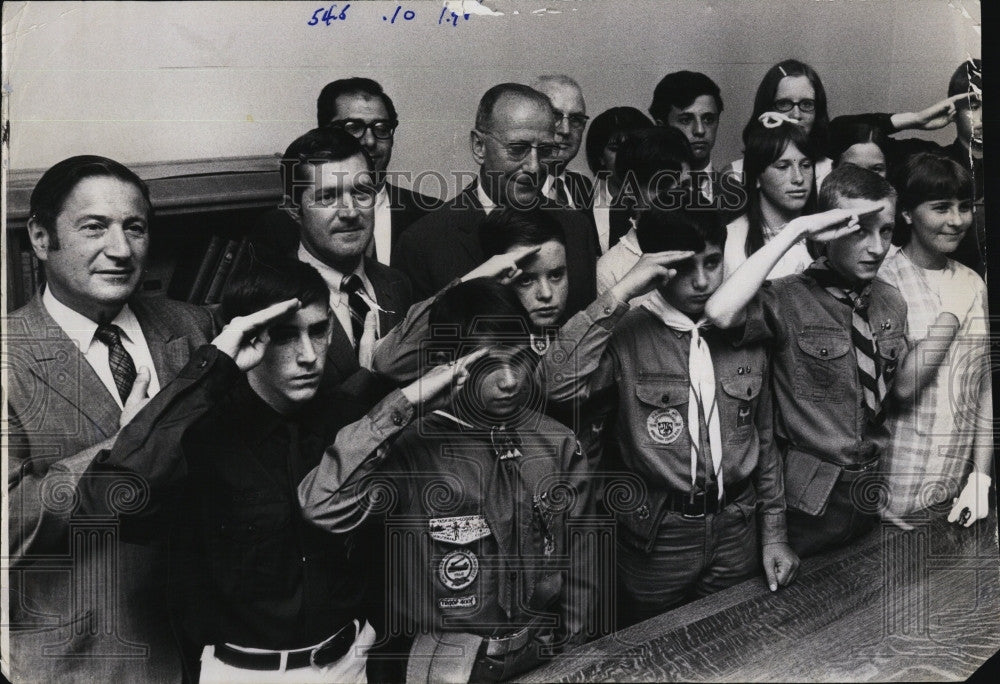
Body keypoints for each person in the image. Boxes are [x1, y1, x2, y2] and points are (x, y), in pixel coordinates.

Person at [299, 279, 597, 683]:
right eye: (488, 365)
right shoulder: (409, 447)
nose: (510, 380)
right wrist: (403, 405)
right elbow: (322, 506)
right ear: (448, 363)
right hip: (440, 666)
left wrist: (571, 658)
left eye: (519, 359)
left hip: (538, 657)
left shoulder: (556, 443)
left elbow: (579, 564)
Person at [6, 155, 216, 682]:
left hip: (207, 651)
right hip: (81, 665)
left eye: (135, 228)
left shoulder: (195, 329)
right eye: (94, 227)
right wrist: (124, 444)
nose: (121, 251)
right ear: (39, 237)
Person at [540, 206, 799, 626]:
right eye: (683, 267)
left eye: (712, 263)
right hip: (657, 536)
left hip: (737, 526)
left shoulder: (744, 331)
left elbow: (764, 439)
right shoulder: (626, 337)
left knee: (737, 639)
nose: (701, 281)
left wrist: (775, 533)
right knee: (654, 653)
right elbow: (554, 388)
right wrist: (621, 293)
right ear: (655, 268)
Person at [704, 165, 958, 557]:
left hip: (868, 494)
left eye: (886, 231)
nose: (877, 248)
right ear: (829, 231)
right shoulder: (787, 299)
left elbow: (886, 401)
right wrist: (795, 232)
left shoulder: (890, 301)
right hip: (804, 504)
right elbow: (720, 313)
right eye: (860, 230)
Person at [391, 83, 598, 315]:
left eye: (545, 151)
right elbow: (411, 344)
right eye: (518, 149)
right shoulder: (423, 243)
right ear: (479, 146)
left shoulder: (576, 229)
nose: (533, 166)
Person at [878, 153, 992, 524]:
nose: (957, 221)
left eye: (963, 207)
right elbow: (904, 387)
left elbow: (986, 387)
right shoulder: (884, 280)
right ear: (907, 213)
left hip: (953, 483)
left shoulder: (973, 282)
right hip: (894, 483)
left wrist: (980, 477)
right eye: (941, 208)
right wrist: (953, 313)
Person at [277, 127, 412, 390]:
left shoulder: (396, 284)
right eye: (328, 197)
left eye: (361, 192)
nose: (350, 212)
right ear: (294, 210)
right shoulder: (272, 300)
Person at [251, 77, 440, 266]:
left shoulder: (432, 215)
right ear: (324, 133)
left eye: (382, 128)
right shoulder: (277, 226)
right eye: (354, 128)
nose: (370, 141)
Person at [829, 59, 984, 274]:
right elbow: (836, 132)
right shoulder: (930, 160)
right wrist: (915, 119)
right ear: (955, 109)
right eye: (974, 106)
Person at [595, 126, 695, 303]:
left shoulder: (709, 247)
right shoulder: (609, 271)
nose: (676, 198)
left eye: (684, 186)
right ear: (630, 190)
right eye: (662, 186)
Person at [723, 115, 819, 279]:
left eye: (805, 165)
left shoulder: (825, 235)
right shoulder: (731, 242)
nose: (798, 178)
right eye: (783, 166)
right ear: (757, 177)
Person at [727, 59, 833, 186]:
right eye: (784, 104)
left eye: (806, 104)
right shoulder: (736, 174)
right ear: (767, 108)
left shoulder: (832, 172)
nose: (796, 115)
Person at [584, 107, 653, 252]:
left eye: (635, 147)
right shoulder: (584, 213)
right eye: (615, 149)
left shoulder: (666, 205)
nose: (626, 156)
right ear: (600, 157)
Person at [649, 70, 726, 203]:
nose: (700, 130)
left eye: (708, 119)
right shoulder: (644, 193)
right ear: (661, 126)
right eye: (685, 120)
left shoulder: (740, 193)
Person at [532, 75, 594, 211]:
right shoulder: (516, 187)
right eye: (555, 116)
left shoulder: (582, 186)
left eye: (576, 119)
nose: (565, 130)